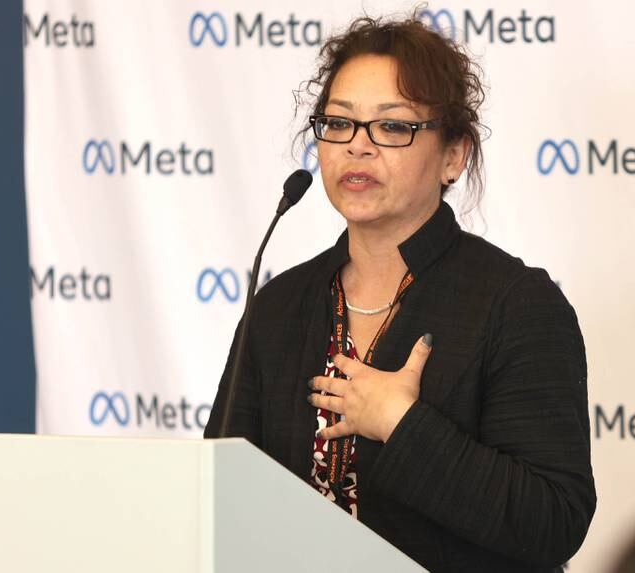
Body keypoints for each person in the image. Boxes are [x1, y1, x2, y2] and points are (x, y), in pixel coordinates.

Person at [205, 13, 596, 572]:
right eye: (338, 123)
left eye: (392, 127)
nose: (357, 147)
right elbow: (222, 492)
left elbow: (554, 521)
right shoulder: (278, 307)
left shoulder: (516, 303)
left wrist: (403, 426)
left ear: (454, 155)